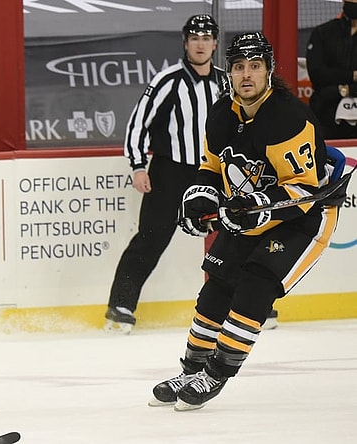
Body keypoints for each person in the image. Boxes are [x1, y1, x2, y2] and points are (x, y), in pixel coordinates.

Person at [152, 32, 343, 411]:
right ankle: (191, 370)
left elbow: (303, 193)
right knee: (216, 286)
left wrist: (253, 204)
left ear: (269, 71)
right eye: (239, 66)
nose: (246, 75)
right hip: (253, 215)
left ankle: (217, 373)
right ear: (231, 72)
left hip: (303, 220)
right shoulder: (221, 113)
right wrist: (200, 197)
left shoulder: (289, 117)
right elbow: (212, 167)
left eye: (255, 66)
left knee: (255, 284)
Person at [104, 14, 227, 333]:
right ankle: (121, 306)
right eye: (194, 38)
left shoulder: (226, 82)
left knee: (236, 235)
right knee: (150, 239)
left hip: (215, 171)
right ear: (185, 43)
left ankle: (250, 305)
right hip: (170, 170)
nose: (200, 44)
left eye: (206, 38)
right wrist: (137, 165)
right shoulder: (167, 80)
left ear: (215, 44)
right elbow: (137, 123)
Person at [306, 0, 357, 139]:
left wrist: (348, 90)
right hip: (325, 114)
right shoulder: (322, 32)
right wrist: (352, 76)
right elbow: (317, 74)